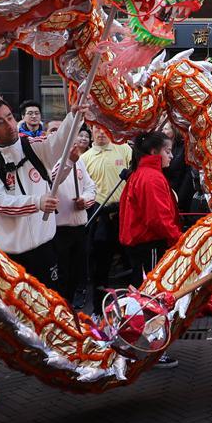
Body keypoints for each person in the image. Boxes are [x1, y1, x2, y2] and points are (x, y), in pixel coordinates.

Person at [0, 97, 81, 400]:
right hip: (6, 254)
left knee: (51, 306)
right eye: (0, 121)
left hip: (44, 248)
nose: (8, 124)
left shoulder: (35, 147)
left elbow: (61, 142)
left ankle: (56, 361)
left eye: (10, 117)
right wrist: (35, 202)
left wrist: (74, 115)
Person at [118, 131, 182, 368]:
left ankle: (141, 347)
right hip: (149, 243)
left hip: (140, 244)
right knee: (151, 297)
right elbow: (159, 218)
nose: (171, 156)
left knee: (143, 295)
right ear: (155, 152)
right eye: (167, 151)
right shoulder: (151, 177)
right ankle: (151, 350)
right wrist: (178, 239)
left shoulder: (142, 173)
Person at [80, 125, 132, 313]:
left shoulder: (124, 148)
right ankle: (98, 310)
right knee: (100, 265)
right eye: (96, 129)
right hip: (99, 216)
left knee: (132, 264)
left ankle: (133, 308)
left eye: (104, 129)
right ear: (91, 131)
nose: (101, 133)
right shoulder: (84, 159)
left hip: (125, 214)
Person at [52, 141, 96, 305]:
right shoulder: (48, 161)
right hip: (56, 229)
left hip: (78, 226)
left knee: (76, 272)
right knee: (60, 276)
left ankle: (71, 307)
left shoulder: (79, 161)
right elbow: (52, 180)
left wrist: (84, 200)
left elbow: (90, 187)